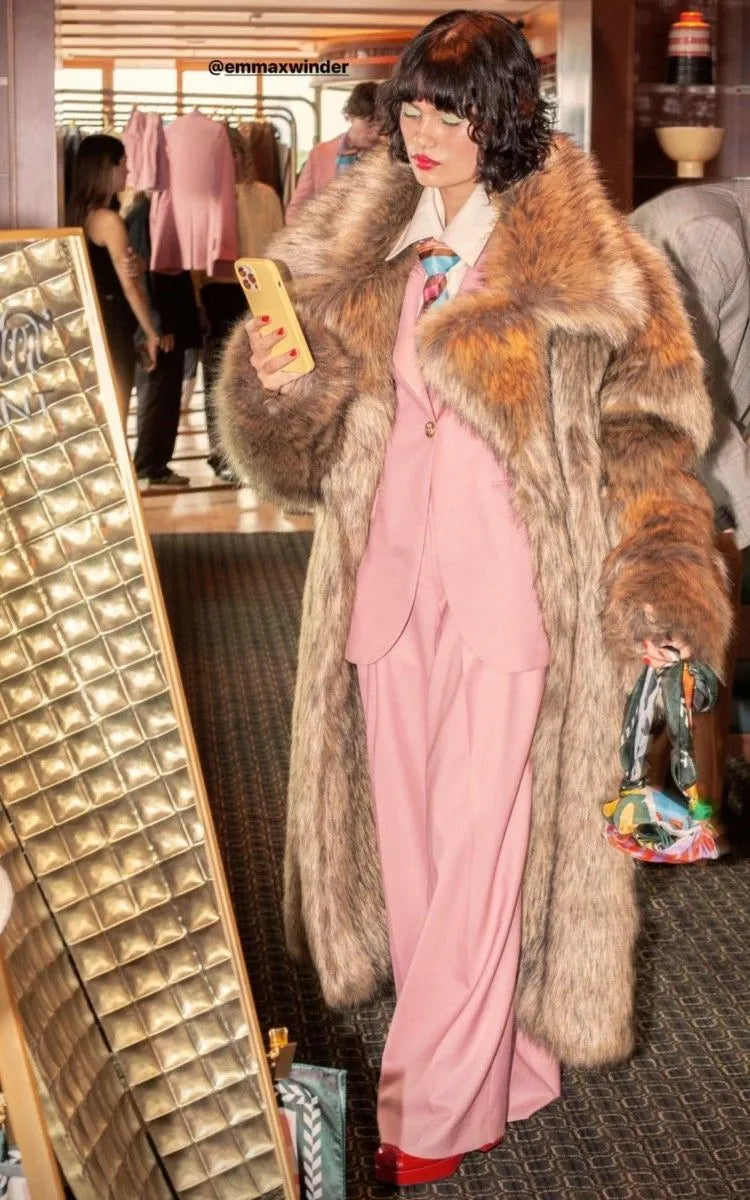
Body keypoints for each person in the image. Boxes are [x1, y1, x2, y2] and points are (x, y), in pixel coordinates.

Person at [216, 10, 731, 1189]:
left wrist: (661, 585)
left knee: (479, 849)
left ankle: (432, 1111)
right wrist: (283, 389)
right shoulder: (350, 255)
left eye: (451, 110)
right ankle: (506, 1063)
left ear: (504, 118)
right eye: (413, 107)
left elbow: (652, 442)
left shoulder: (597, 272)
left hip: (517, 601)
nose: (425, 132)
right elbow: (291, 457)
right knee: (413, 857)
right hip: (386, 589)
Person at [631, 182, 750, 807]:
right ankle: (676, 796)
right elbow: (673, 408)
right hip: (641, 473)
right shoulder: (706, 234)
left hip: (696, 464)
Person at [67, 134, 159, 423]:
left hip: (89, 322)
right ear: (107, 168)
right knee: (115, 414)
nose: (128, 171)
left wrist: (138, 265)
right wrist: (151, 333)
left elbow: (112, 270)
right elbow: (129, 287)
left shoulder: (77, 215)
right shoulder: (108, 220)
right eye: (123, 164)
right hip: (112, 325)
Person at [125, 191, 201, 488]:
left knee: (166, 394)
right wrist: (158, 326)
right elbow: (144, 275)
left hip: (171, 318)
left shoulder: (159, 213)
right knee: (159, 394)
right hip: (161, 321)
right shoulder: (145, 215)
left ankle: (156, 464)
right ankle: (149, 465)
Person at [284, 82, 382, 223]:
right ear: (349, 116)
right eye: (369, 123)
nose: (376, 131)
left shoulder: (389, 153)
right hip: (327, 232)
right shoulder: (320, 154)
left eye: (381, 123)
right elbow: (297, 207)